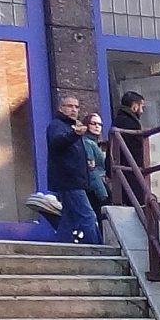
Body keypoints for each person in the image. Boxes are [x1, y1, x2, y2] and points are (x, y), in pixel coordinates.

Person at [44, 94, 101, 244]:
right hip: (69, 180)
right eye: (70, 106)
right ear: (61, 108)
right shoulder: (57, 125)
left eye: (76, 107)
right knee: (88, 216)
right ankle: (98, 250)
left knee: (68, 220)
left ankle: (61, 247)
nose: (74, 110)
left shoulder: (72, 127)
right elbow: (57, 143)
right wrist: (74, 134)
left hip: (74, 180)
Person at [112, 89, 149, 186]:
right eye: (141, 107)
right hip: (131, 172)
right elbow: (137, 148)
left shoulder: (118, 120)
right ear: (135, 106)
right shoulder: (131, 123)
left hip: (123, 171)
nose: (142, 111)